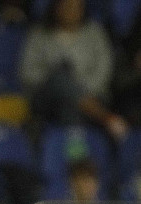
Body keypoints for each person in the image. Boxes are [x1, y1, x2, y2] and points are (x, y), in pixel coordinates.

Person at [19, 0, 128, 140]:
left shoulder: (94, 32)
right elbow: (28, 72)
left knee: (70, 108)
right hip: (46, 97)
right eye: (67, 6)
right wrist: (56, 82)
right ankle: (106, 117)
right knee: (59, 78)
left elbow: (104, 70)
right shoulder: (39, 33)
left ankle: (76, 156)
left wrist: (76, 90)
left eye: (77, 7)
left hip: (92, 95)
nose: (72, 11)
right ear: (56, 8)